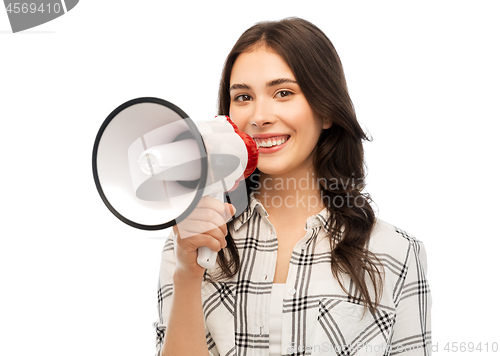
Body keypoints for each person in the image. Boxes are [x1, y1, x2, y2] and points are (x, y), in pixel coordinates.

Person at [154, 17, 431, 356]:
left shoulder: (396, 253)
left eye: (283, 93)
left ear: (326, 110)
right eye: (242, 97)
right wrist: (187, 273)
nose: (259, 116)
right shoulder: (191, 239)